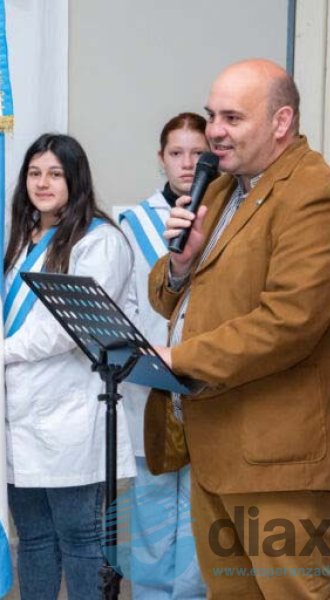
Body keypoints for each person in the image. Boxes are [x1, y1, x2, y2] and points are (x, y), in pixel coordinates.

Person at [147, 59, 330, 598]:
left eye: (232, 118)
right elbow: (166, 294)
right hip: (216, 448)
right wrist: (180, 265)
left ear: (281, 121)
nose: (213, 131)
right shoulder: (221, 189)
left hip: (279, 461)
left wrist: (179, 359)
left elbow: (287, 324)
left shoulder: (317, 196)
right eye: (211, 115)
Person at [3, 133, 136, 599]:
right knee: (34, 539)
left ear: (75, 179)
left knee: (81, 539)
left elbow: (66, 329)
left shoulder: (101, 241)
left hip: (71, 416)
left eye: (55, 174)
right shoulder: (20, 239)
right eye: (35, 173)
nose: (43, 183)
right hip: (19, 415)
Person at [118, 113, 207, 599]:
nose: (188, 163)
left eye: (198, 153)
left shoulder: (226, 215)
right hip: (149, 383)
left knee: (198, 506)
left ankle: (189, 595)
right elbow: (126, 305)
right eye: (177, 153)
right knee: (152, 503)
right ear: (161, 158)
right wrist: (145, 356)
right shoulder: (135, 222)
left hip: (203, 379)